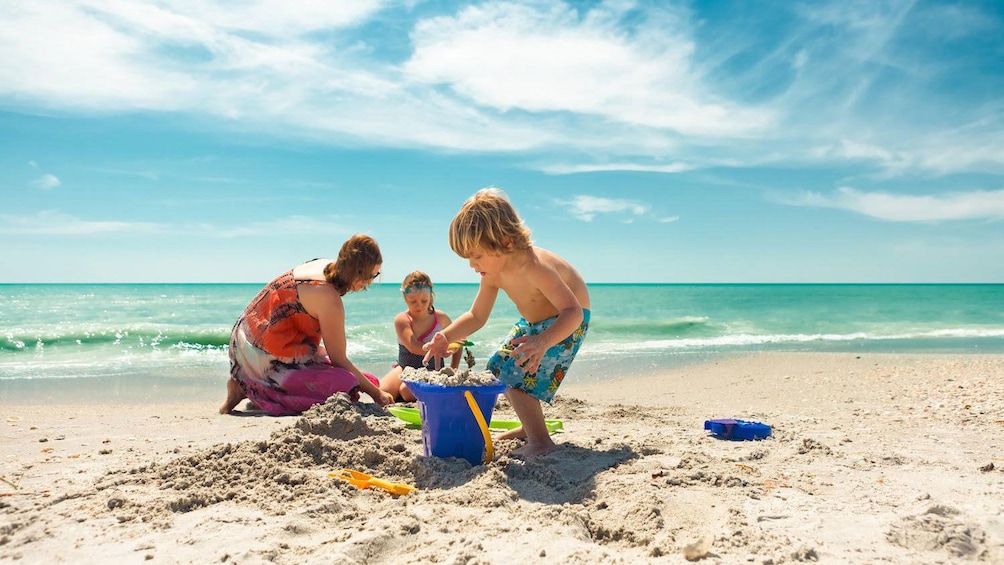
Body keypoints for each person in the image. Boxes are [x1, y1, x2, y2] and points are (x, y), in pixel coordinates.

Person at [423, 188, 590, 457]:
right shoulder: (493, 272)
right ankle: (530, 427)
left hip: (566, 321)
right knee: (499, 366)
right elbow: (477, 316)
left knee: (516, 374)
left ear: (505, 242)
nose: (472, 265)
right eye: (468, 258)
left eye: (477, 256)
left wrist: (543, 342)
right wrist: (446, 336)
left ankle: (541, 442)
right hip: (534, 323)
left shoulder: (536, 267)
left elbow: (573, 311)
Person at [220, 234, 394, 416]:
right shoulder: (328, 298)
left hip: (248, 338)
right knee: (346, 385)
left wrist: (373, 389)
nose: (370, 282)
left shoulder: (324, 265)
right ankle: (253, 385)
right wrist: (376, 394)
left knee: (368, 380)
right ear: (357, 274)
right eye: (371, 276)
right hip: (264, 357)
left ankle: (247, 383)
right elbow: (339, 360)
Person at [378, 271, 462, 402]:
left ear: (431, 297)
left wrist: (453, 368)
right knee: (382, 393)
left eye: (424, 301)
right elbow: (413, 346)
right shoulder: (402, 320)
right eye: (413, 301)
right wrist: (438, 349)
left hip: (432, 368)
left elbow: (458, 341)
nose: (419, 305)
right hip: (405, 366)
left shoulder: (441, 318)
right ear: (405, 297)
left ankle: (425, 391)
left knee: (406, 391)